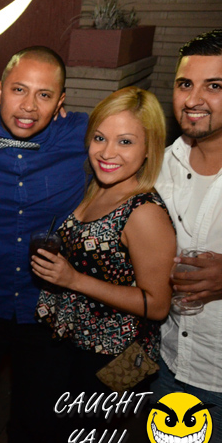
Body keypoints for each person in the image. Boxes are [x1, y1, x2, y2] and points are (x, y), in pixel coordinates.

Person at [0, 46, 89, 443]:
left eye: (44, 95)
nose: (29, 106)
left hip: (46, 301)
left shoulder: (85, 136)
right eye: (19, 90)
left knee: (37, 389)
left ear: (61, 101)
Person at [33, 86, 174, 394]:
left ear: (149, 148)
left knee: (84, 426)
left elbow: (158, 305)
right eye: (99, 138)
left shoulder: (144, 212)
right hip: (74, 344)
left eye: (125, 141)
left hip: (112, 359)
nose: (107, 153)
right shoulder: (98, 186)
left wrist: (73, 280)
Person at [151, 28, 222, 443]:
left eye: (214, 85)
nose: (194, 99)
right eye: (184, 84)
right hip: (171, 364)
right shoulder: (161, 166)